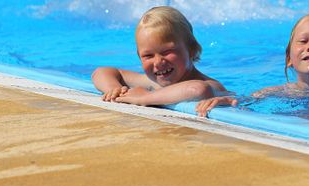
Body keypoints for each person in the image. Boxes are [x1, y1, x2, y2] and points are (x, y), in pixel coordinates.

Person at [92, 6, 229, 113]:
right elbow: (101, 72)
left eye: (167, 52)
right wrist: (114, 90)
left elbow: (198, 89)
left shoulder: (211, 85)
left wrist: (145, 98)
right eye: (148, 56)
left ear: (191, 50)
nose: (158, 62)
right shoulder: (154, 82)